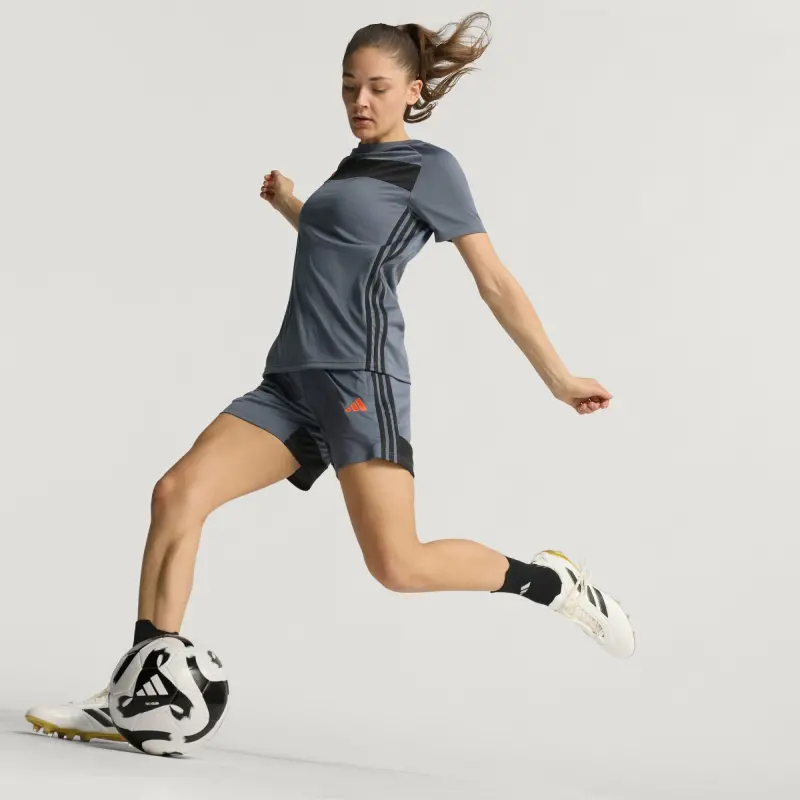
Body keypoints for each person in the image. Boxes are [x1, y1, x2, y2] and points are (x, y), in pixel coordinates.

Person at [25, 11, 634, 743]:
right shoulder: (353, 165)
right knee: (177, 494)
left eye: (377, 87)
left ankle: (549, 583)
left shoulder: (430, 168)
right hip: (291, 379)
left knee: (398, 565)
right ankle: (136, 690)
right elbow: (342, 250)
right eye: (349, 87)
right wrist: (295, 206)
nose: (360, 101)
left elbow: (494, 280)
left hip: (358, 380)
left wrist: (558, 377)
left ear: (413, 90)